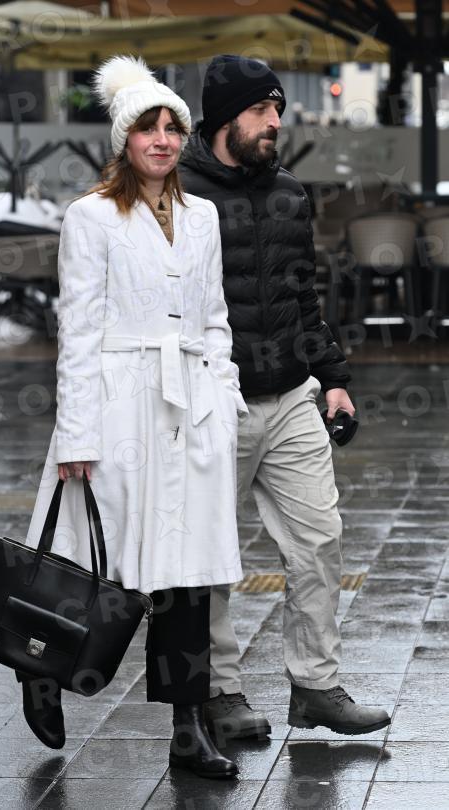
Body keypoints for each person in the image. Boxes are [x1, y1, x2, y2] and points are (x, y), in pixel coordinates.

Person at [21, 55, 249, 779]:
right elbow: (78, 329)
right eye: (147, 128)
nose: (161, 140)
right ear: (124, 139)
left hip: (190, 408)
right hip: (118, 405)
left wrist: (223, 391)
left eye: (172, 128)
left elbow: (215, 317)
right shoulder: (91, 216)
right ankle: (40, 668)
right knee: (97, 557)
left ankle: (187, 728)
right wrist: (77, 432)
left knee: (187, 573)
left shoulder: (203, 215)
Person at [179, 54, 391, 738]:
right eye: (260, 110)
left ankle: (316, 687)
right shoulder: (176, 194)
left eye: (277, 109)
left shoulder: (290, 195)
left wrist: (334, 379)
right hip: (215, 402)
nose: (274, 121)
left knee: (319, 541)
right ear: (223, 118)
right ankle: (219, 693)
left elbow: (304, 297)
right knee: (210, 555)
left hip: (293, 393)